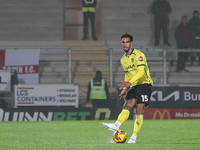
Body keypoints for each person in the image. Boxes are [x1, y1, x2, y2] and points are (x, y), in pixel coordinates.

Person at [102, 33, 153, 143]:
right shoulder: (123, 59)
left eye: (127, 42)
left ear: (131, 43)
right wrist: (125, 89)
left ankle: (133, 137)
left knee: (139, 109)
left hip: (144, 84)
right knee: (127, 104)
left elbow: (141, 72)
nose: (125, 44)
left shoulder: (139, 55)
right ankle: (117, 125)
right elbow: (128, 74)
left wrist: (129, 83)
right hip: (134, 85)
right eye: (123, 42)